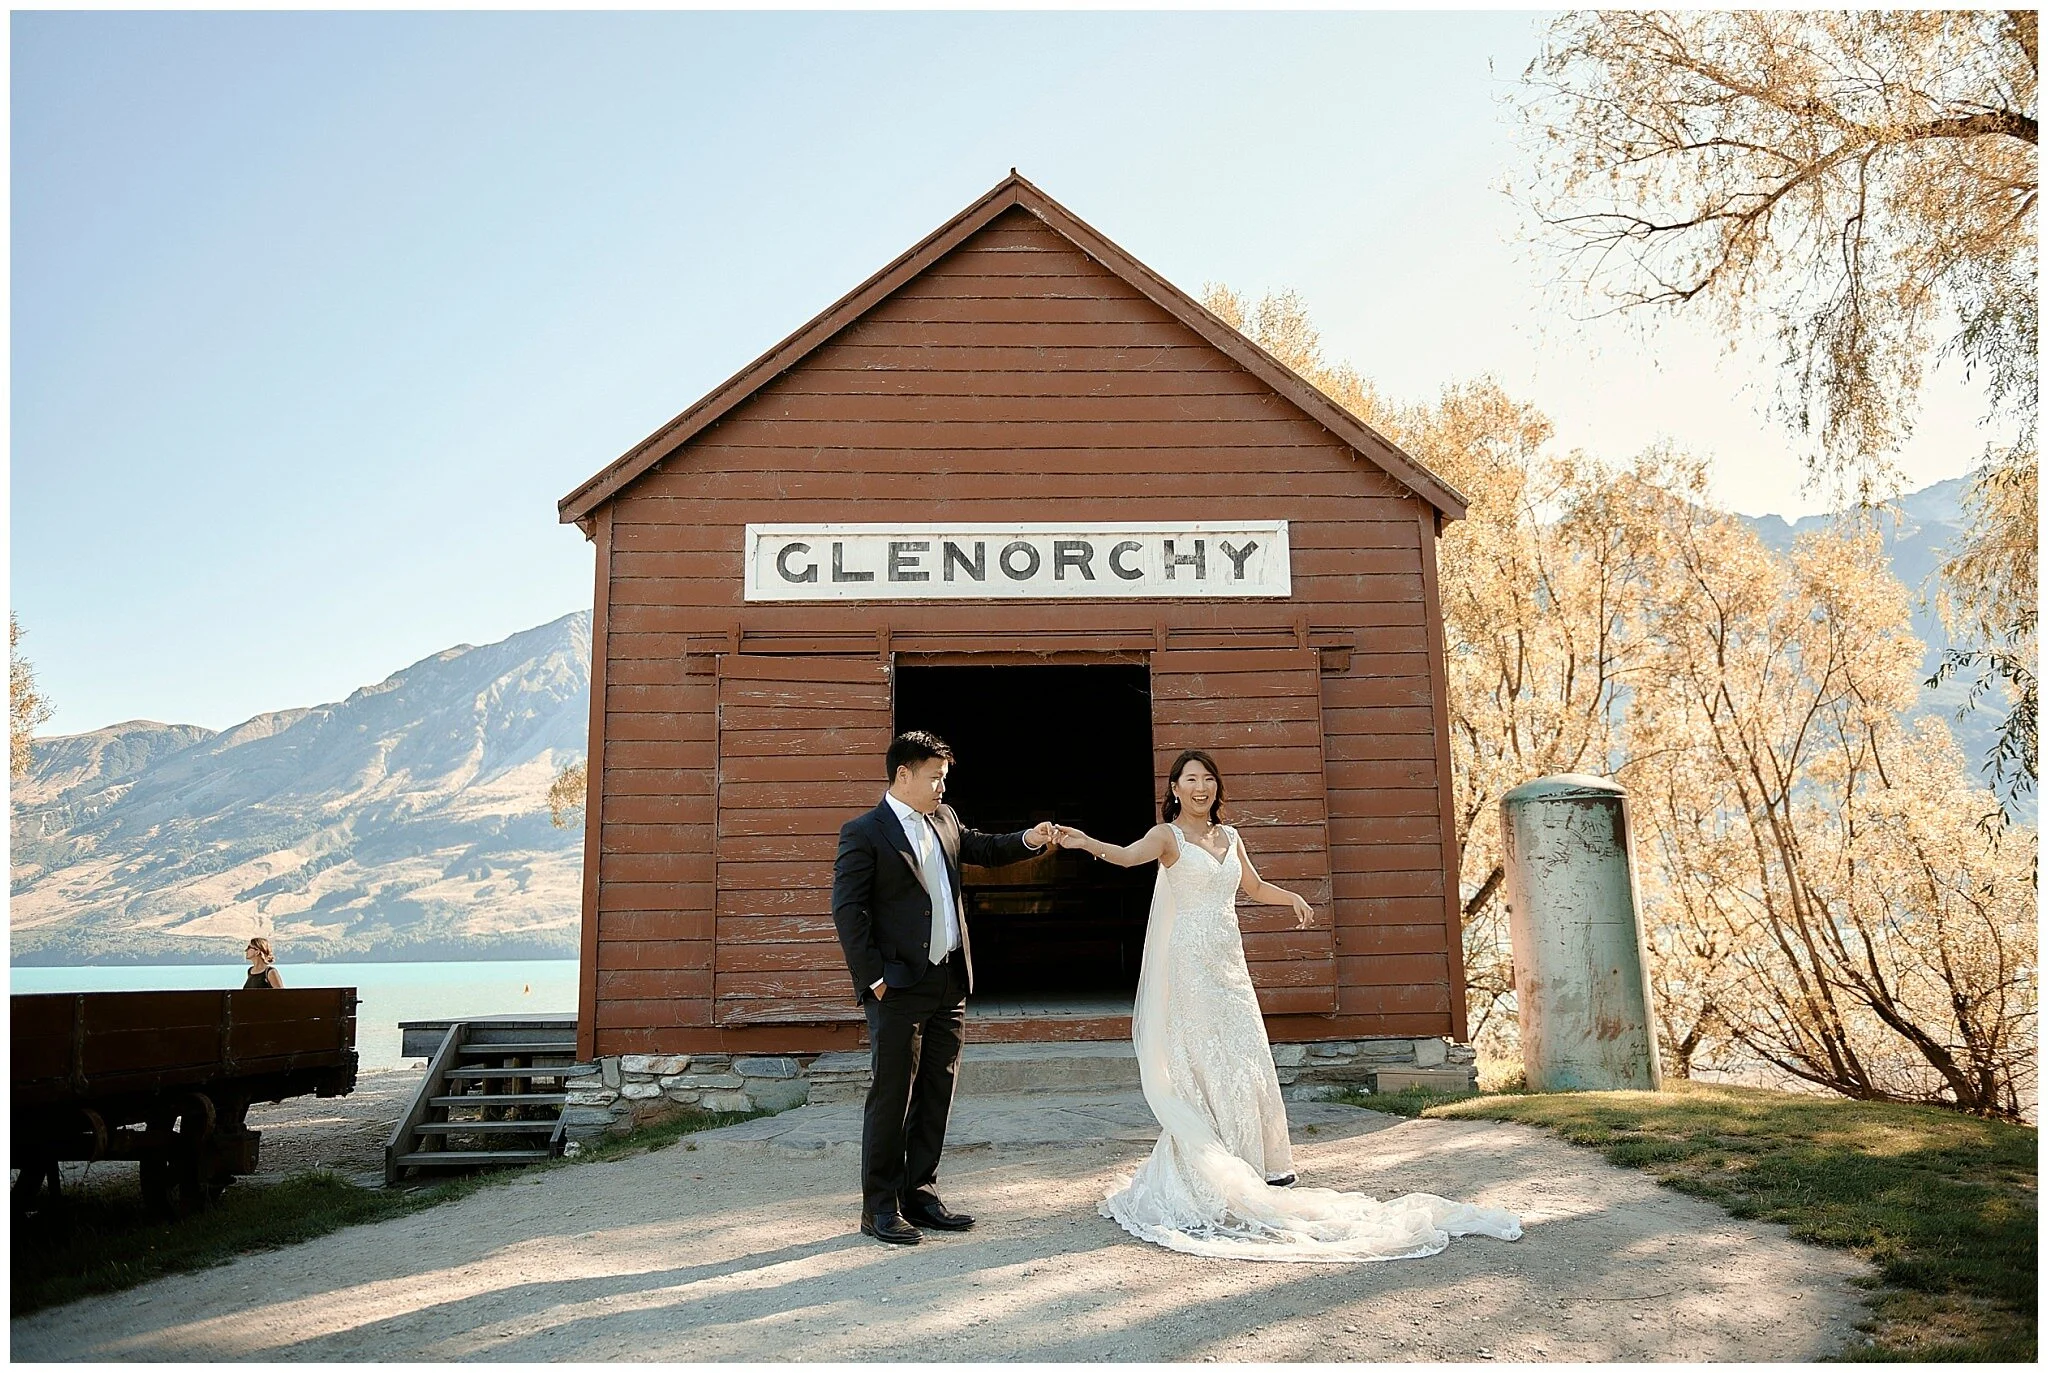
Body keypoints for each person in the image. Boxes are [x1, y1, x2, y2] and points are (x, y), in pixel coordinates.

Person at [1052, 749, 1521, 1261]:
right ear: (1175, 788)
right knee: (1205, 1056)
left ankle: (1254, 1164)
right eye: (1190, 779)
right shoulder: (1168, 837)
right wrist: (1085, 842)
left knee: (1245, 1056)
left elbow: (1252, 887)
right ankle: (1206, 1169)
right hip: (1188, 964)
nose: (1201, 787)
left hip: (1228, 964)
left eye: (1208, 779)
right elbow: (1126, 856)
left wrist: (1290, 897)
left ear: (1216, 787)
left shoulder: (1230, 837)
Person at [830, 729, 1057, 1246]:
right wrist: (875, 979)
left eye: (945, 778)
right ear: (903, 774)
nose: (942, 787)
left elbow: (984, 848)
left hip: (949, 980)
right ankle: (879, 1207)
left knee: (936, 1093)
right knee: (892, 1096)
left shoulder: (946, 819)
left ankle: (920, 1193)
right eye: (935, 778)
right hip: (897, 986)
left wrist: (1029, 838)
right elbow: (848, 910)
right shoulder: (863, 832)